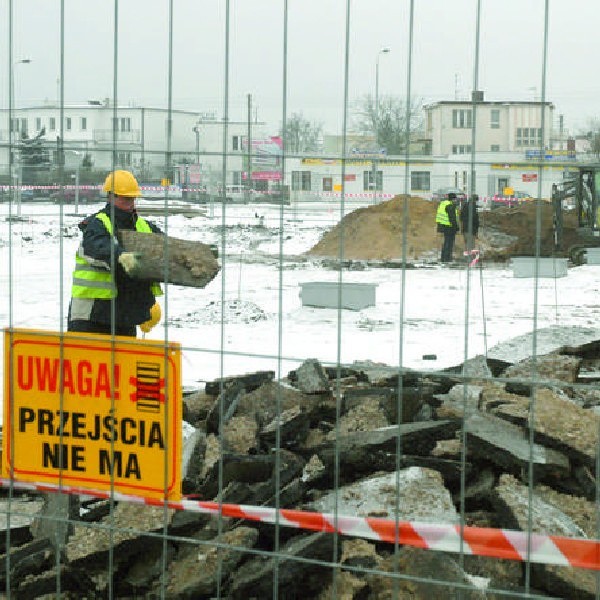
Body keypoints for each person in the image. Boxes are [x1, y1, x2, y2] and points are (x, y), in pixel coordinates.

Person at [67, 169, 163, 337]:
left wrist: (192, 254)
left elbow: (165, 248)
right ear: (110, 196)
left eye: (132, 198)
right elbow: (97, 247)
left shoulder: (144, 226)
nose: (130, 203)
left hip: (124, 316)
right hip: (91, 316)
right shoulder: (97, 224)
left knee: (123, 363)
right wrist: (121, 256)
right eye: (125, 198)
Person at [436, 192, 460, 263]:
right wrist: (457, 228)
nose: (456, 200)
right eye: (455, 199)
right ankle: (447, 258)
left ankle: (443, 258)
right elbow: (452, 218)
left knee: (446, 242)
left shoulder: (443, 204)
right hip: (449, 227)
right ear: (453, 199)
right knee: (449, 243)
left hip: (443, 226)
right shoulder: (450, 205)